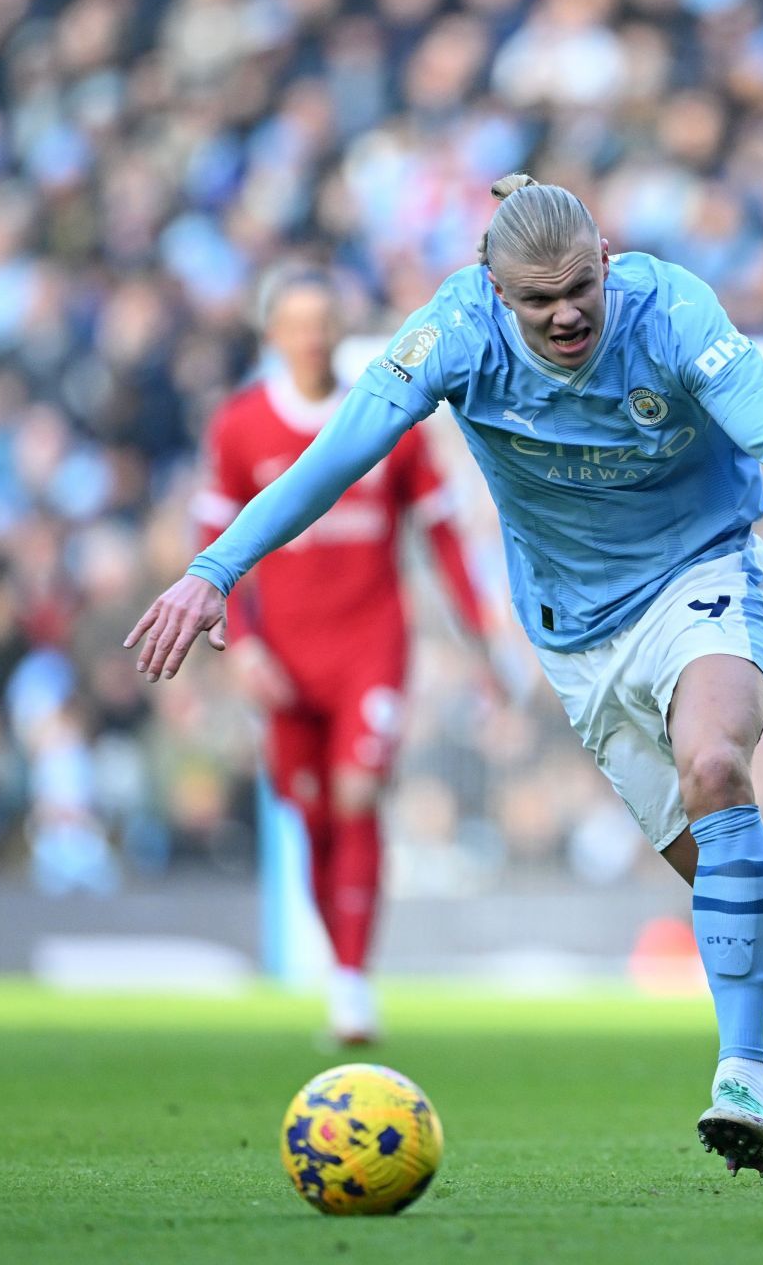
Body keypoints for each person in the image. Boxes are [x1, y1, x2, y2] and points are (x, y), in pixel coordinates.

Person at [127, 175, 763, 1177]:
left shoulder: (670, 311)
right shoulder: (453, 332)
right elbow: (334, 457)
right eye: (539, 300)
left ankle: (742, 1075)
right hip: (576, 640)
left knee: (716, 764)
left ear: (607, 260)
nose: (567, 312)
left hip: (702, 575)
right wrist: (212, 572)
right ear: (494, 291)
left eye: (581, 285)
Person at [191, 266, 499, 1045]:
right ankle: (342, 966)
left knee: (358, 792)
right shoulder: (240, 426)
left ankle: (355, 984)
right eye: (296, 323)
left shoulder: (387, 410)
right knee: (315, 818)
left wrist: (481, 630)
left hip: (370, 643)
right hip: (284, 656)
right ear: (273, 335)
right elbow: (214, 542)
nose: (312, 337)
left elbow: (440, 533)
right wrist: (244, 645)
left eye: (324, 321)